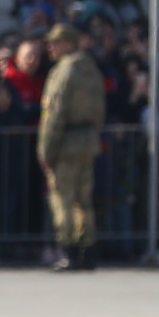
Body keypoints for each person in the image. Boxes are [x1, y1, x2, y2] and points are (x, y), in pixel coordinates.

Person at [35, 19, 104, 272]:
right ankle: (87, 249)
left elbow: (54, 115)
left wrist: (45, 150)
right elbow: (99, 111)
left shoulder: (63, 72)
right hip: (87, 141)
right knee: (83, 200)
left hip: (65, 143)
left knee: (63, 199)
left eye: (55, 43)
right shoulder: (91, 70)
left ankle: (68, 251)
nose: (51, 48)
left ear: (68, 44)